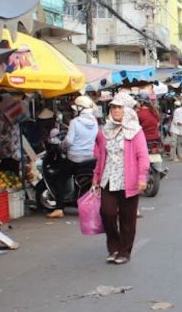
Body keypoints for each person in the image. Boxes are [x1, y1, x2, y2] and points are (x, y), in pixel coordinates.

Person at [91, 92, 150, 265]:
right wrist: (96, 177)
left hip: (128, 180)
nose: (115, 110)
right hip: (109, 179)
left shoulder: (135, 132)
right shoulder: (105, 131)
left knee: (127, 218)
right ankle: (114, 246)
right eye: (113, 107)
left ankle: (124, 251)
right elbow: (101, 156)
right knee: (107, 213)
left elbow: (143, 156)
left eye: (119, 107)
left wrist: (141, 177)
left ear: (127, 110)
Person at [46, 95, 99, 219]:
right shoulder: (95, 122)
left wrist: (61, 147)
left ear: (80, 109)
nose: (75, 111)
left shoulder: (75, 122)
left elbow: (69, 141)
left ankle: (59, 208)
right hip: (90, 158)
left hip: (75, 158)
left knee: (59, 179)